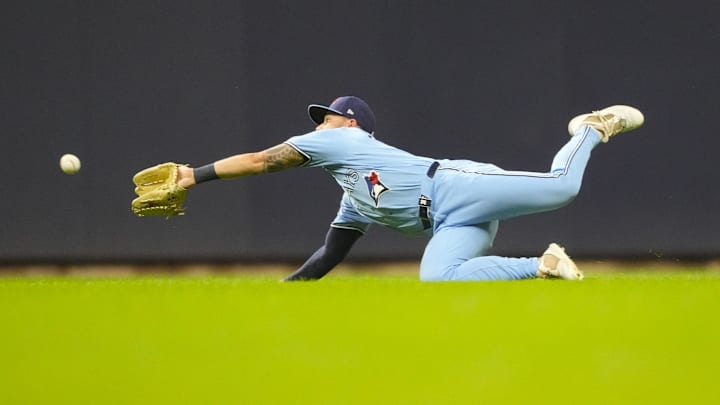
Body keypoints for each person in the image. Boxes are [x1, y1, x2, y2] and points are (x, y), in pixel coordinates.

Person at [174, 96, 644, 281]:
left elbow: (260, 162)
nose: (322, 123)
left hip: (456, 188)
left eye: (328, 116)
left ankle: (590, 128)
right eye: (321, 119)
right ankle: (543, 264)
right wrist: (285, 290)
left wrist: (195, 175)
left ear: (350, 123)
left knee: (561, 187)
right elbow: (330, 254)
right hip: (450, 222)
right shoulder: (352, 191)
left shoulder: (343, 140)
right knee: (437, 279)